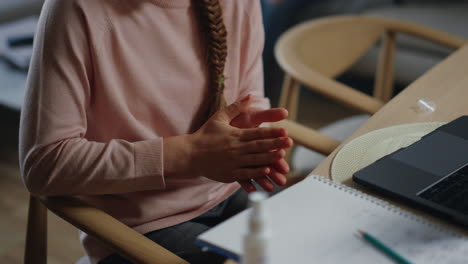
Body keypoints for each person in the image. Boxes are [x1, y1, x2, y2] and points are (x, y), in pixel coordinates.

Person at [19, 0, 293, 263]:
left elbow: (250, 96)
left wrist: (253, 138)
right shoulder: (76, 9)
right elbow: (44, 163)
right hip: (140, 226)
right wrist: (189, 155)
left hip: (232, 193)